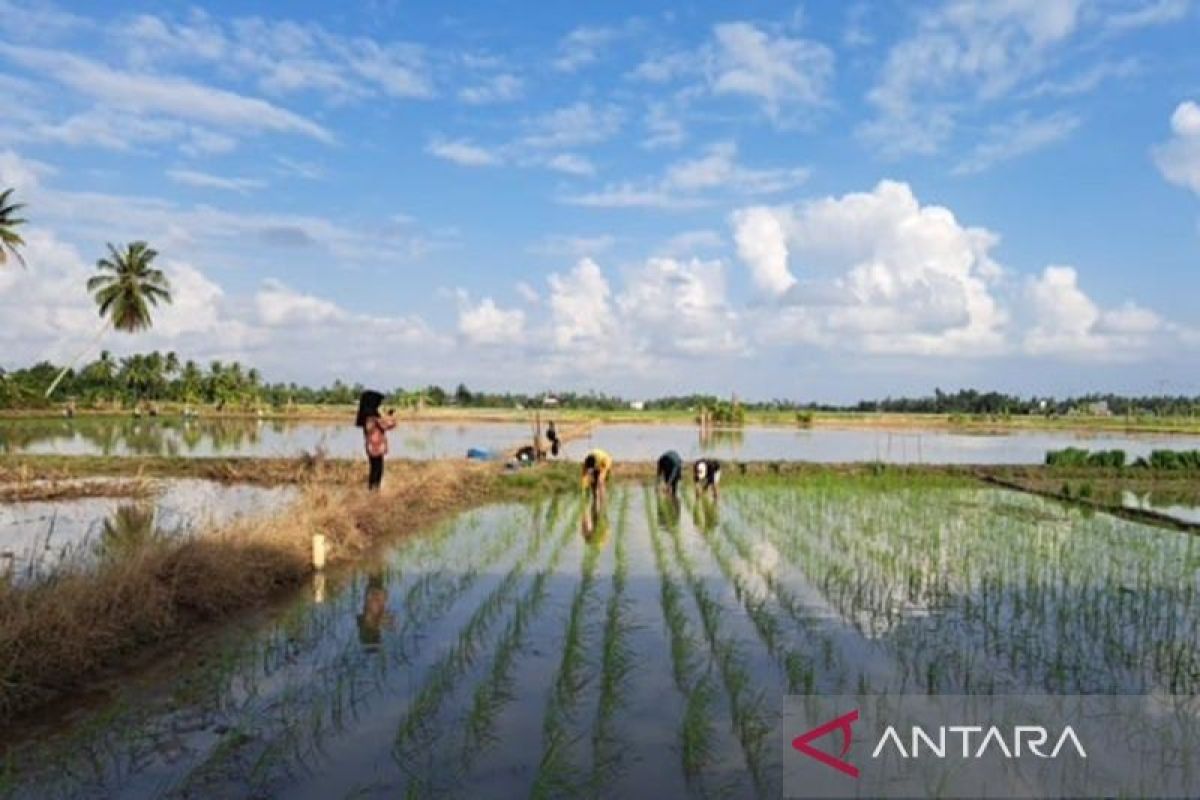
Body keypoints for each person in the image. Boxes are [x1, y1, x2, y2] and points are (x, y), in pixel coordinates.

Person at [356, 390, 396, 491]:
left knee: (374, 469)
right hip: (376, 446)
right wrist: (390, 415)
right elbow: (388, 425)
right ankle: (374, 492)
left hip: (371, 446)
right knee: (377, 470)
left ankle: (373, 491)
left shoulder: (366, 416)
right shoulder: (373, 416)